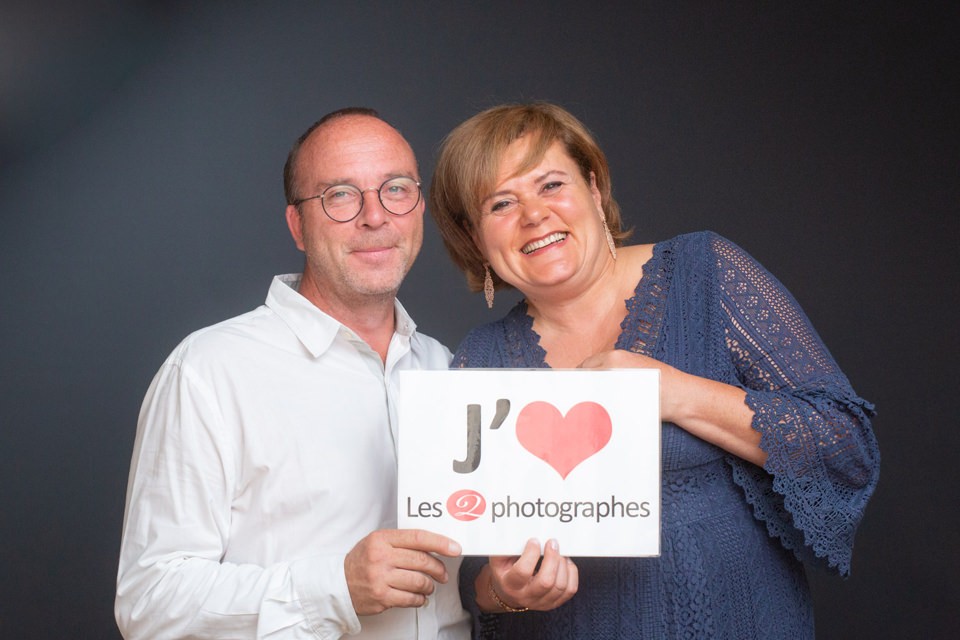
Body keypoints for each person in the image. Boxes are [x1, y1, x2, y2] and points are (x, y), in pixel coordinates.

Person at [428, 102, 880, 639]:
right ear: (475, 238)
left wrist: (676, 394)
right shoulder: (479, 362)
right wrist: (506, 590)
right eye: (501, 203)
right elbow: (468, 570)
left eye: (551, 185)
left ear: (594, 190)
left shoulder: (706, 275)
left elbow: (844, 443)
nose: (534, 215)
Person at [115, 108, 472, 639]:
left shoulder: (448, 369)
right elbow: (150, 603)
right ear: (297, 226)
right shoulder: (210, 371)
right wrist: (335, 587)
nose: (375, 217)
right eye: (341, 196)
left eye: (395, 189)